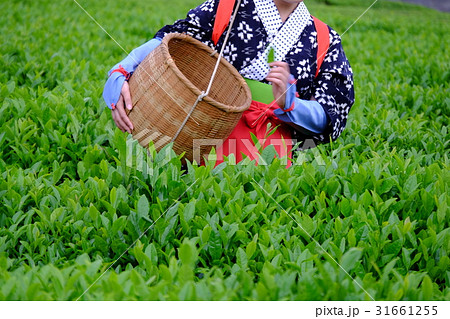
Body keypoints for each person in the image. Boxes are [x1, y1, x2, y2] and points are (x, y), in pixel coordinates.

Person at [103, 0, 354, 165]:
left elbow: (332, 111)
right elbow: (175, 39)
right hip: (205, 141)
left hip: (276, 163)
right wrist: (122, 69)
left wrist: (290, 104)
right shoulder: (226, 7)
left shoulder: (325, 40)